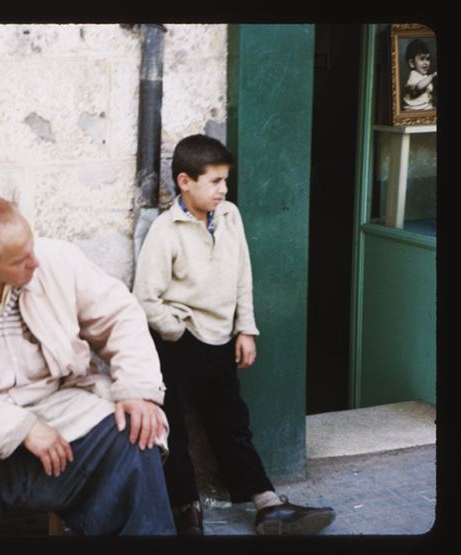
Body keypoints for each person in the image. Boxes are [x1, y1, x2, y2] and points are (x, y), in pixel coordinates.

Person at [0, 197, 176, 536]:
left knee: (137, 431)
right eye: (21, 259)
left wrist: (137, 389)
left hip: (62, 410)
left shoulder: (56, 260)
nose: (35, 261)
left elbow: (119, 314)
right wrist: (23, 428)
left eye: (32, 247)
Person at [132, 134, 336, 536]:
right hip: (180, 344)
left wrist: (246, 329)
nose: (223, 189)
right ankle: (185, 511)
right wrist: (176, 330)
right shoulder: (164, 230)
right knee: (172, 427)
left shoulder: (231, 216)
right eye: (215, 181)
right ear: (185, 182)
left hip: (222, 339)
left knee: (231, 423)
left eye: (226, 180)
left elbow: (243, 275)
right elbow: (145, 297)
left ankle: (267, 506)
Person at [402, 38, 436, 111]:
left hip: (425, 107)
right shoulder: (413, 76)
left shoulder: (424, 76)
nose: (426, 63)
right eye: (422, 59)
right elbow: (419, 87)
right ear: (412, 63)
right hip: (413, 111)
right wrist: (432, 76)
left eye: (428, 59)